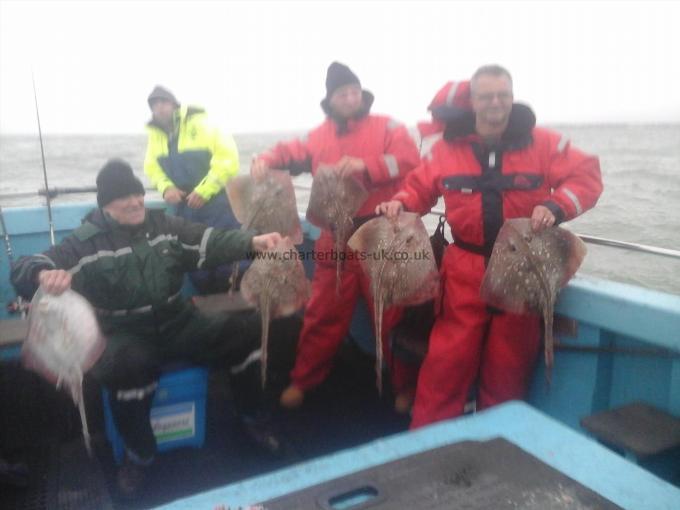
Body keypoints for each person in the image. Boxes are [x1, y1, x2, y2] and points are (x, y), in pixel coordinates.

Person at [11, 159, 284, 498]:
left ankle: (254, 418)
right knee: (127, 368)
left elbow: (209, 240)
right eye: (124, 198)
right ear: (106, 205)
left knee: (243, 333)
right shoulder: (83, 243)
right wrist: (42, 274)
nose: (136, 202)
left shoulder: (165, 226)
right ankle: (140, 454)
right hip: (123, 331)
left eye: (138, 194)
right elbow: (26, 267)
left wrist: (252, 242)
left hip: (179, 319)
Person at [377, 65, 603, 428]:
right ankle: (426, 440)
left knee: (509, 365)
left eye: (503, 95)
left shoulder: (546, 143)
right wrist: (399, 204)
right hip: (464, 266)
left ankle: (495, 440)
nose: (495, 103)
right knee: (446, 362)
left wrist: (556, 206)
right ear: (474, 102)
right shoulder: (444, 151)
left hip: (523, 267)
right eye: (486, 96)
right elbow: (418, 188)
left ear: (512, 98)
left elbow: (587, 177)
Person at [251, 62, 421, 412]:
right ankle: (303, 380)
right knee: (322, 312)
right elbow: (288, 151)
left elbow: (410, 160)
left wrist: (366, 165)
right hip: (335, 235)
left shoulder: (388, 126)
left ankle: (404, 386)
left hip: (381, 234)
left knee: (391, 314)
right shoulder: (318, 136)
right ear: (330, 99)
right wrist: (265, 158)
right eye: (343, 93)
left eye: (355, 91)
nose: (350, 97)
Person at [144, 85, 244, 294]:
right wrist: (166, 188)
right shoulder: (156, 136)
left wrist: (205, 190)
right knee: (196, 262)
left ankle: (237, 306)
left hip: (218, 204)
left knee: (228, 258)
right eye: (154, 105)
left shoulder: (202, 124)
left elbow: (228, 158)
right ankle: (211, 311)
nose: (159, 108)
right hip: (185, 210)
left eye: (163, 102)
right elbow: (151, 168)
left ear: (174, 104)